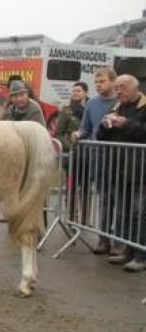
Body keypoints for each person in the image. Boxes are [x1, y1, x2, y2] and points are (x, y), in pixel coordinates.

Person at [96, 74, 146, 272]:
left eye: (122, 87)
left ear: (135, 88)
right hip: (119, 168)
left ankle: (141, 255)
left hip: (141, 170)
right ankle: (127, 251)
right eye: (117, 88)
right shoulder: (116, 107)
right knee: (123, 213)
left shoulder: (144, 106)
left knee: (139, 213)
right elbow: (101, 137)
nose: (119, 91)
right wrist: (105, 124)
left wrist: (126, 124)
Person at [72, 67, 118, 255]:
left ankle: (122, 241)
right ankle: (103, 239)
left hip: (121, 159)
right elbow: (86, 128)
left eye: (103, 81)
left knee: (123, 201)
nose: (99, 85)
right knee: (104, 199)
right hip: (98, 158)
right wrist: (77, 134)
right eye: (96, 82)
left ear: (113, 82)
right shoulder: (92, 104)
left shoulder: (120, 101)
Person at [55, 81, 88, 153]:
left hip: (87, 150)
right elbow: (58, 134)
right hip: (71, 151)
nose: (75, 93)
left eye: (78, 91)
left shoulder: (90, 108)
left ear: (85, 93)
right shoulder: (66, 110)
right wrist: (70, 147)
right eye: (73, 91)